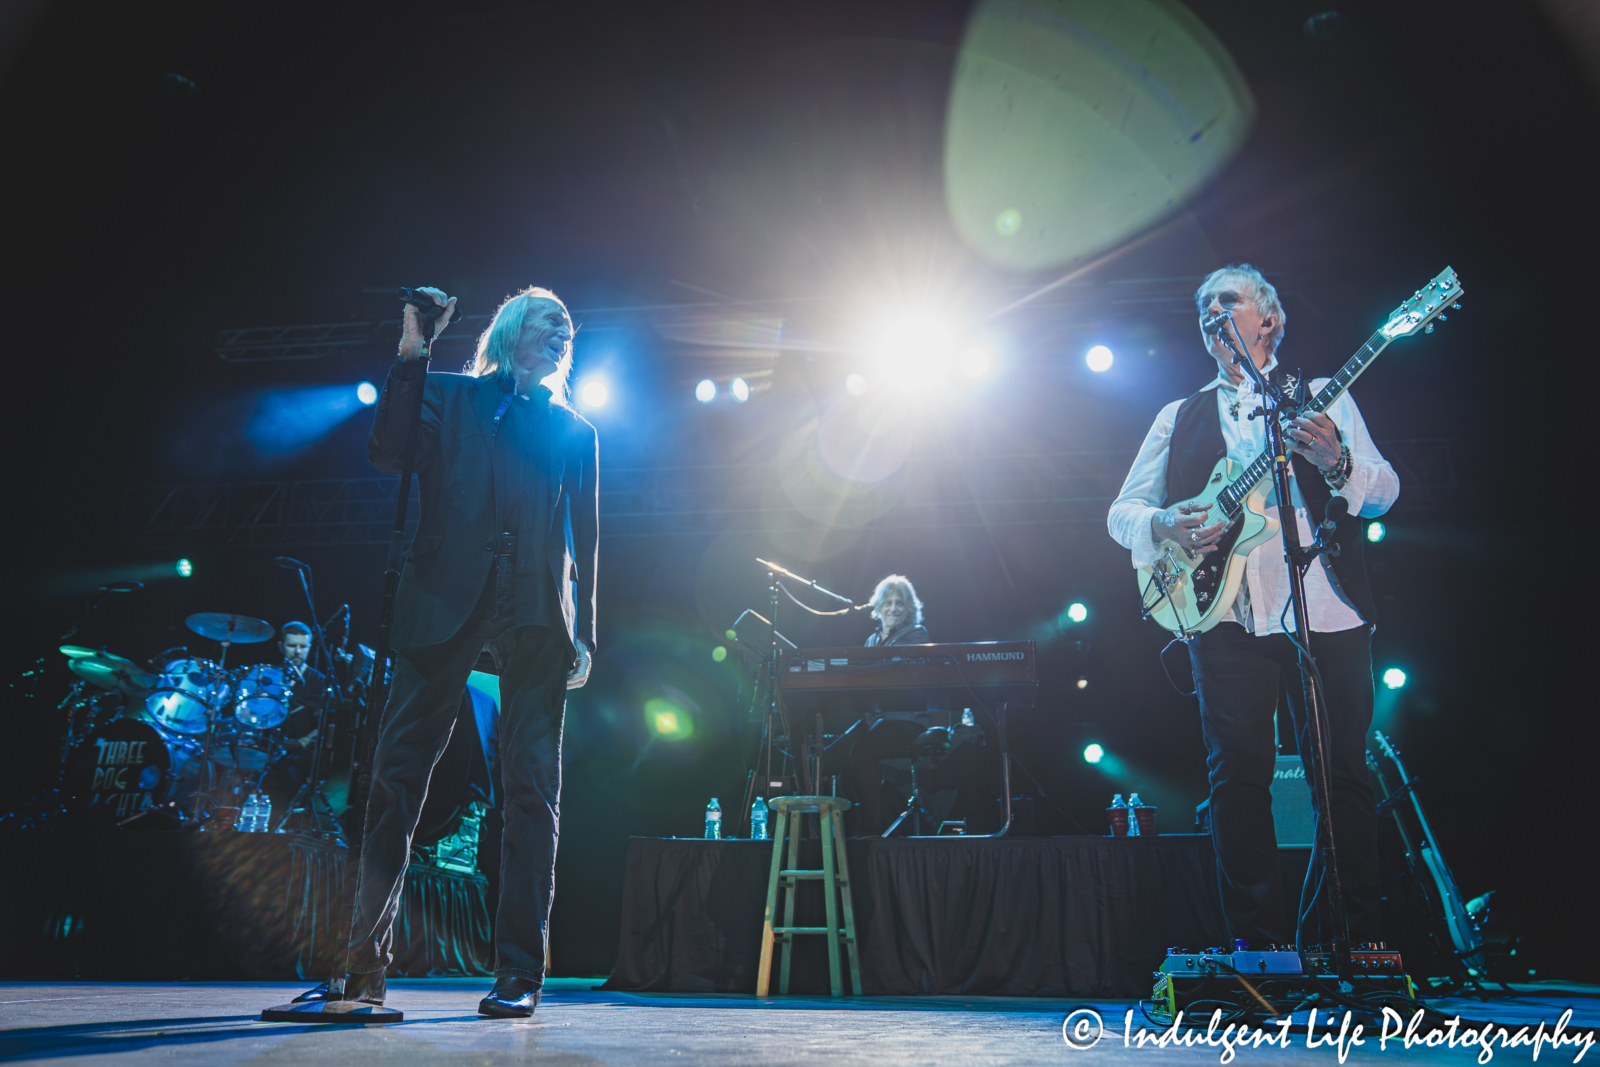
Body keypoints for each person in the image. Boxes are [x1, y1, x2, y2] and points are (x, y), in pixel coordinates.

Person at [298, 284, 598, 1018]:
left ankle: (520, 972)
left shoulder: (574, 431)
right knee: (394, 779)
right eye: (548, 319)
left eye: (568, 325)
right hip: (442, 604)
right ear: (512, 328)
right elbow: (389, 451)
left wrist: (585, 629)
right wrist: (412, 353)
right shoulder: (452, 396)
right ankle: (361, 967)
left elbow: (585, 541)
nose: (562, 330)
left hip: (536, 617)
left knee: (532, 792)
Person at [1107, 263, 1398, 949]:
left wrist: (1336, 462)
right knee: (1237, 779)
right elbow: (1122, 512)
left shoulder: (1321, 394)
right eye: (1203, 305)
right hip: (1225, 614)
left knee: (1343, 774)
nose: (1212, 310)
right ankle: (1259, 950)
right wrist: (1164, 524)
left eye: (1228, 300)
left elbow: (1385, 490)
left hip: (1325, 608)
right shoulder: (1178, 415)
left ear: (1268, 318)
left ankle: (1353, 944)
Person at [846, 575, 933, 834]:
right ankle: (840, 830)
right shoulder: (871, 640)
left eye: (900, 603)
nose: (893, 608)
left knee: (862, 752)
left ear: (909, 608)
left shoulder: (916, 634)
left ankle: (870, 831)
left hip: (906, 719)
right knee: (834, 753)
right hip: (876, 718)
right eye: (888, 603)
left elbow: (890, 671)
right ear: (878, 607)